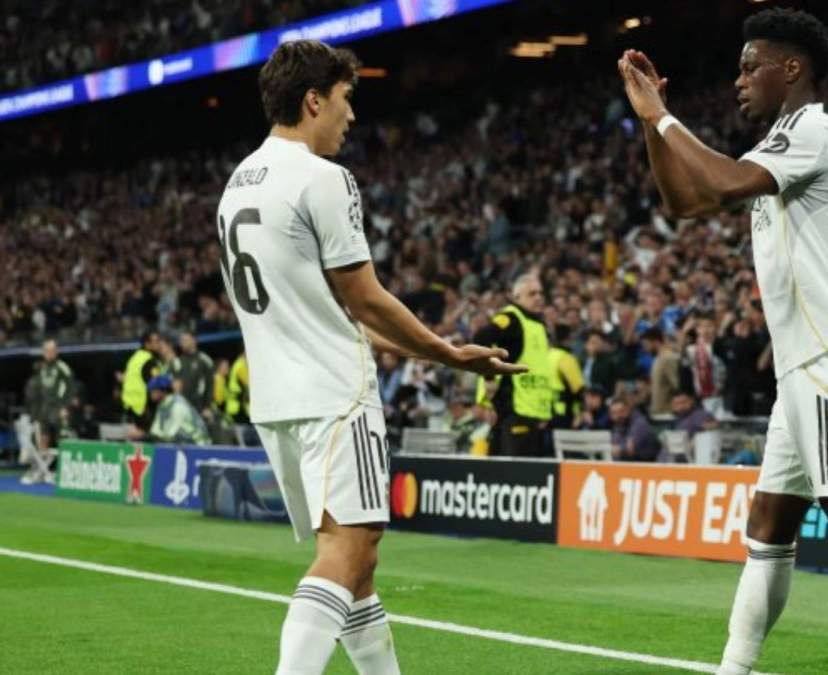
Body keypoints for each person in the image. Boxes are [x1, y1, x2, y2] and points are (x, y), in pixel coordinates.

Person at [618, 9, 828, 674]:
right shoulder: (780, 144)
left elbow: (717, 181)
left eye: (752, 67)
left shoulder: (813, 130)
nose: (738, 80)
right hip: (804, 370)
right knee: (768, 532)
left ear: (793, 69)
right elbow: (686, 204)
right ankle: (734, 668)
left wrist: (664, 115)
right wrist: (649, 123)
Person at [217, 40, 522, 675]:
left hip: (278, 398)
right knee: (348, 552)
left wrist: (433, 352)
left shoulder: (238, 182)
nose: (351, 116)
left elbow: (318, 306)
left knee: (359, 565)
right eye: (347, 99)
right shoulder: (323, 178)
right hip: (335, 392)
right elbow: (365, 298)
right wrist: (449, 355)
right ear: (314, 99)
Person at [472, 273, 556, 456]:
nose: (539, 297)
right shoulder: (512, 318)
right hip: (513, 409)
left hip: (532, 414)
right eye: (532, 294)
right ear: (517, 297)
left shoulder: (538, 324)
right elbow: (481, 337)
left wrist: (543, 413)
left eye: (540, 293)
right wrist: (488, 377)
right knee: (513, 475)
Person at [23, 339, 75, 484]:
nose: (49, 353)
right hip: (43, 409)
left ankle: (65, 471)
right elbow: (37, 390)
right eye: (46, 350)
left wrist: (65, 406)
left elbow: (70, 387)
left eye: (51, 350)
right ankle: (44, 470)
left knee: (62, 439)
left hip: (58, 408)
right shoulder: (41, 368)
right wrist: (35, 410)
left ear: (56, 352)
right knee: (42, 439)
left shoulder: (62, 367)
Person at [146, 375, 211, 445]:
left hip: (198, 444)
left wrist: (155, 438)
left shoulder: (178, 405)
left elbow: (171, 434)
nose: (151, 394)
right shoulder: (162, 406)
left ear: (162, 391)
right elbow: (155, 431)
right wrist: (146, 437)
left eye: (153, 391)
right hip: (183, 443)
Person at [121, 330, 163, 430]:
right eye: (156, 341)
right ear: (147, 344)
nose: (159, 344)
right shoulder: (150, 361)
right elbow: (156, 385)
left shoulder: (134, 358)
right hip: (144, 409)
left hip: (129, 407)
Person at [168, 331, 216, 416]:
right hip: (182, 409)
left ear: (194, 340)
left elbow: (211, 384)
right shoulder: (176, 362)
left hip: (200, 408)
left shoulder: (204, 360)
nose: (182, 343)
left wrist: (208, 407)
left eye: (185, 340)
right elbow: (172, 387)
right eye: (181, 340)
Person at [549, 324, 585, 429]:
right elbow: (578, 388)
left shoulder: (548, 355)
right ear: (570, 338)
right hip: (563, 411)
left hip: (546, 410)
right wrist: (580, 412)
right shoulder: (566, 358)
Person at [608, 397, 659, 461]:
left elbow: (630, 449)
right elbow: (615, 448)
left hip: (649, 465)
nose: (618, 416)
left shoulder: (639, 423)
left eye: (621, 411)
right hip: (630, 465)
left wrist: (618, 449)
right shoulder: (618, 424)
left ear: (628, 409)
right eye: (614, 413)